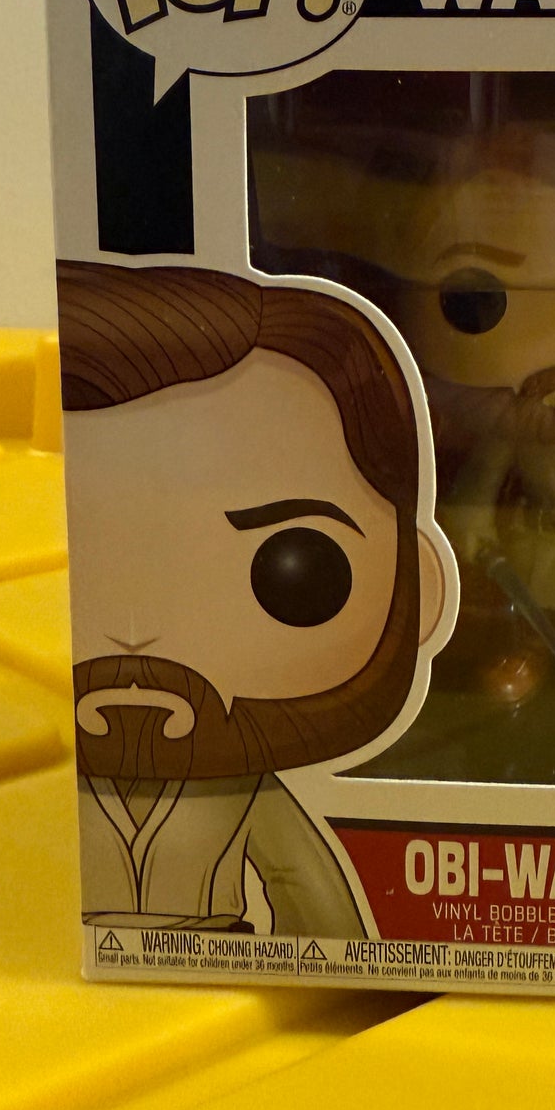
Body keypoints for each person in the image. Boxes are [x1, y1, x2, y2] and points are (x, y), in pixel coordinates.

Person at [58, 260, 449, 935]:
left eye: (294, 571)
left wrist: (346, 966)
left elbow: (300, 880)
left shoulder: (241, 779)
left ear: (424, 587)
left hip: (224, 958)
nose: (136, 633)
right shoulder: (50, 771)